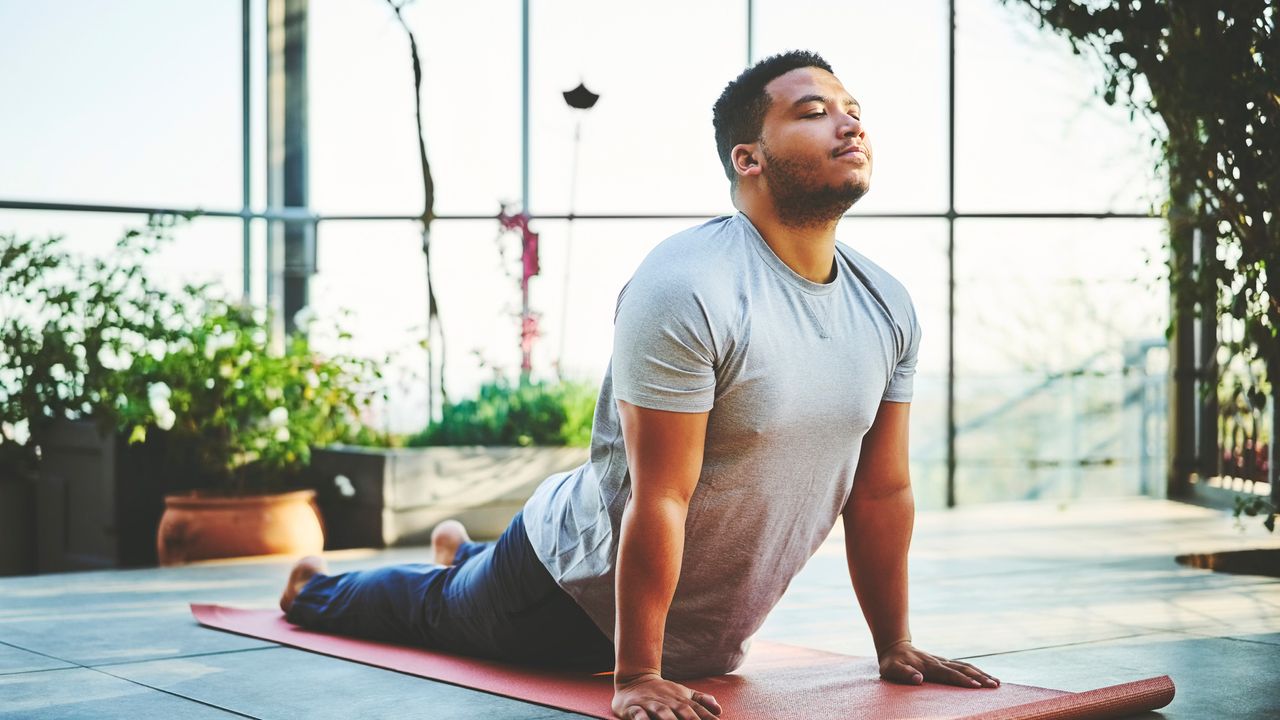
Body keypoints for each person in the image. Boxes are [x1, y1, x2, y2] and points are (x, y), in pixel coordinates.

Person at [279, 49, 1001, 720]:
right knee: (435, 610)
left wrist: (893, 643)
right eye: (812, 111)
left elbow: (881, 492)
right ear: (747, 157)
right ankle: (318, 586)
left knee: (460, 583)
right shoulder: (688, 284)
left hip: (693, 621)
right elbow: (661, 493)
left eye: (852, 108)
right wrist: (635, 674)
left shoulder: (886, 302)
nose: (849, 122)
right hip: (569, 589)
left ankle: (460, 551)